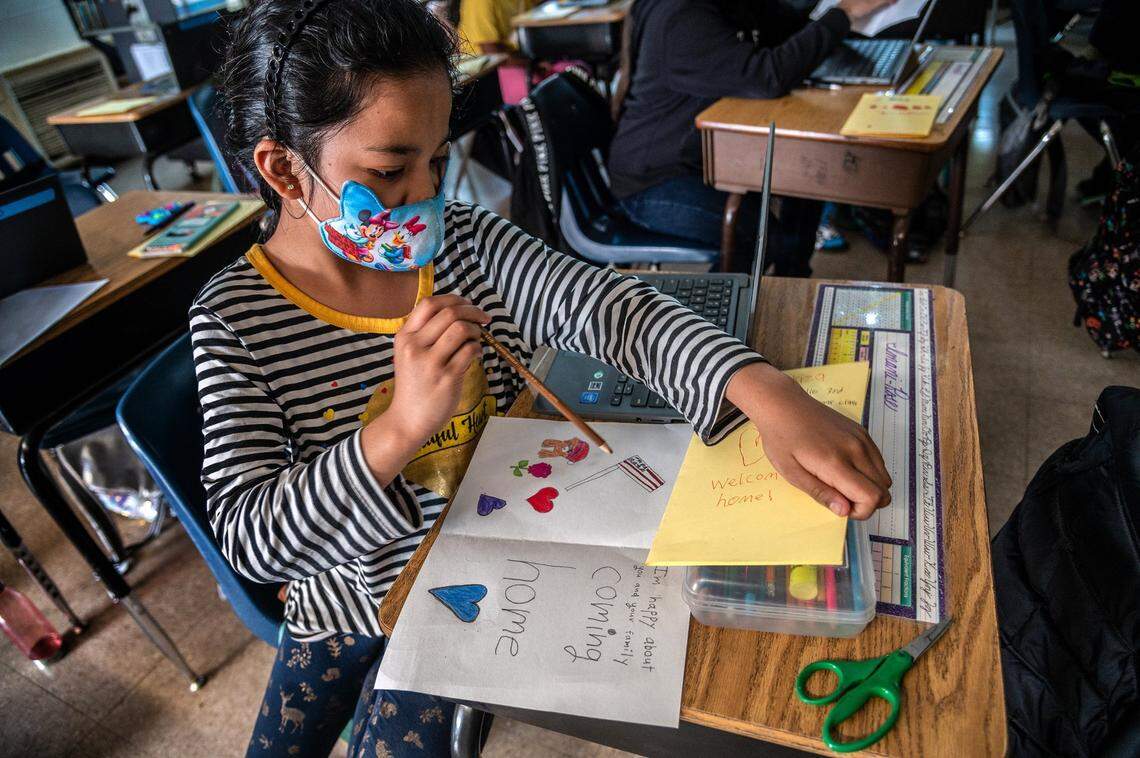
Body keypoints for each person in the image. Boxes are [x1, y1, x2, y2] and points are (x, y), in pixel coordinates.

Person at [199, 1, 891, 755]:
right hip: (336, 598)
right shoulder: (236, 319)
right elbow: (252, 542)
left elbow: (614, 310)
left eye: (438, 161)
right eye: (391, 171)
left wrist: (766, 392)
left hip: (460, 590)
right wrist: (398, 430)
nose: (426, 195)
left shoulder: (464, 244)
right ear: (284, 170)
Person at [609, 0, 896, 275]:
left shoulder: (734, 4)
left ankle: (791, 280)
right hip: (656, 180)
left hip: (710, 158)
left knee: (808, 180)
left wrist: (836, 18)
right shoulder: (681, 16)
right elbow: (766, 77)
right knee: (762, 240)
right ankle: (715, 306)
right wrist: (844, 13)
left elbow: (787, 30)